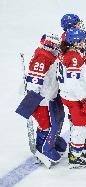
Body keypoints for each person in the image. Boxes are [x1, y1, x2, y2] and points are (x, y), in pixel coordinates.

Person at [16, 34, 67, 165]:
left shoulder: (50, 55)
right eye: (56, 46)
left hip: (51, 95)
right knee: (47, 124)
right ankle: (44, 148)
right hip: (43, 98)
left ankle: (52, 141)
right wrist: (32, 101)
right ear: (50, 46)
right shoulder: (43, 57)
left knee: (58, 119)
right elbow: (35, 82)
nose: (58, 49)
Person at [57, 28, 86, 168]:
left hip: (66, 95)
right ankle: (75, 157)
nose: (84, 42)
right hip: (75, 98)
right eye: (82, 40)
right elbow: (73, 83)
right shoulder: (74, 57)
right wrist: (83, 99)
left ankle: (75, 148)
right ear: (75, 43)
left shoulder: (65, 53)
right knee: (81, 126)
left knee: (75, 123)